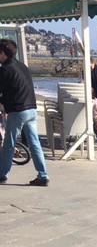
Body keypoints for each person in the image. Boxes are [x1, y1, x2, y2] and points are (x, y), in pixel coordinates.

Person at [0, 38, 50, 186]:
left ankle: (2, 174)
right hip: (31, 109)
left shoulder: (5, 69)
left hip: (18, 110)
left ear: (2, 53)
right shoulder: (22, 66)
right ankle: (43, 175)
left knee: (9, 143)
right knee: (34, 143)